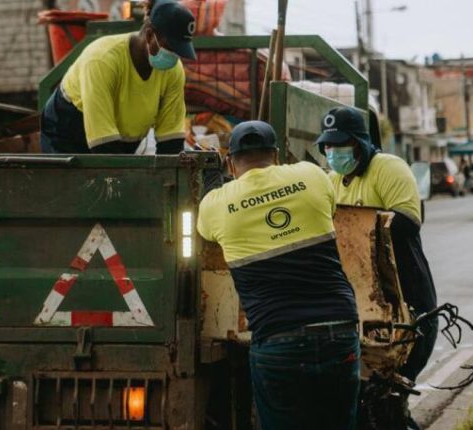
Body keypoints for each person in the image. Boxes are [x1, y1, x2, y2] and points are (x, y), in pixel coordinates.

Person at [197, 121, 361, 430]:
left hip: (278, 341)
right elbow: (330, 208)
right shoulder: (312, 176)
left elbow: (206, 231)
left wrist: (212, 180)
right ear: (275, 155)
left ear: (231, 162)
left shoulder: (216, 204)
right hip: (339, 330)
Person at [315, 107, 438, 388]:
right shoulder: (331, 181)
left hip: (405, 295)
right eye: (328, 146)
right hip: (358, 301)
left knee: (396, 388)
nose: (333, 153)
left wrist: (356, 221)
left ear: (359, 143)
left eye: (341, 145)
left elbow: (408, 223)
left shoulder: (388, 167)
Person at [40, 0, 195, 154]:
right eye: (170, 47)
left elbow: (171, 142)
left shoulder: (173, 71)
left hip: (119, 139)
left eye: (179, 51)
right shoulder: (102, 61)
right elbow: (104, 146)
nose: (174, 56)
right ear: (149, 35)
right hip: (69, 133)